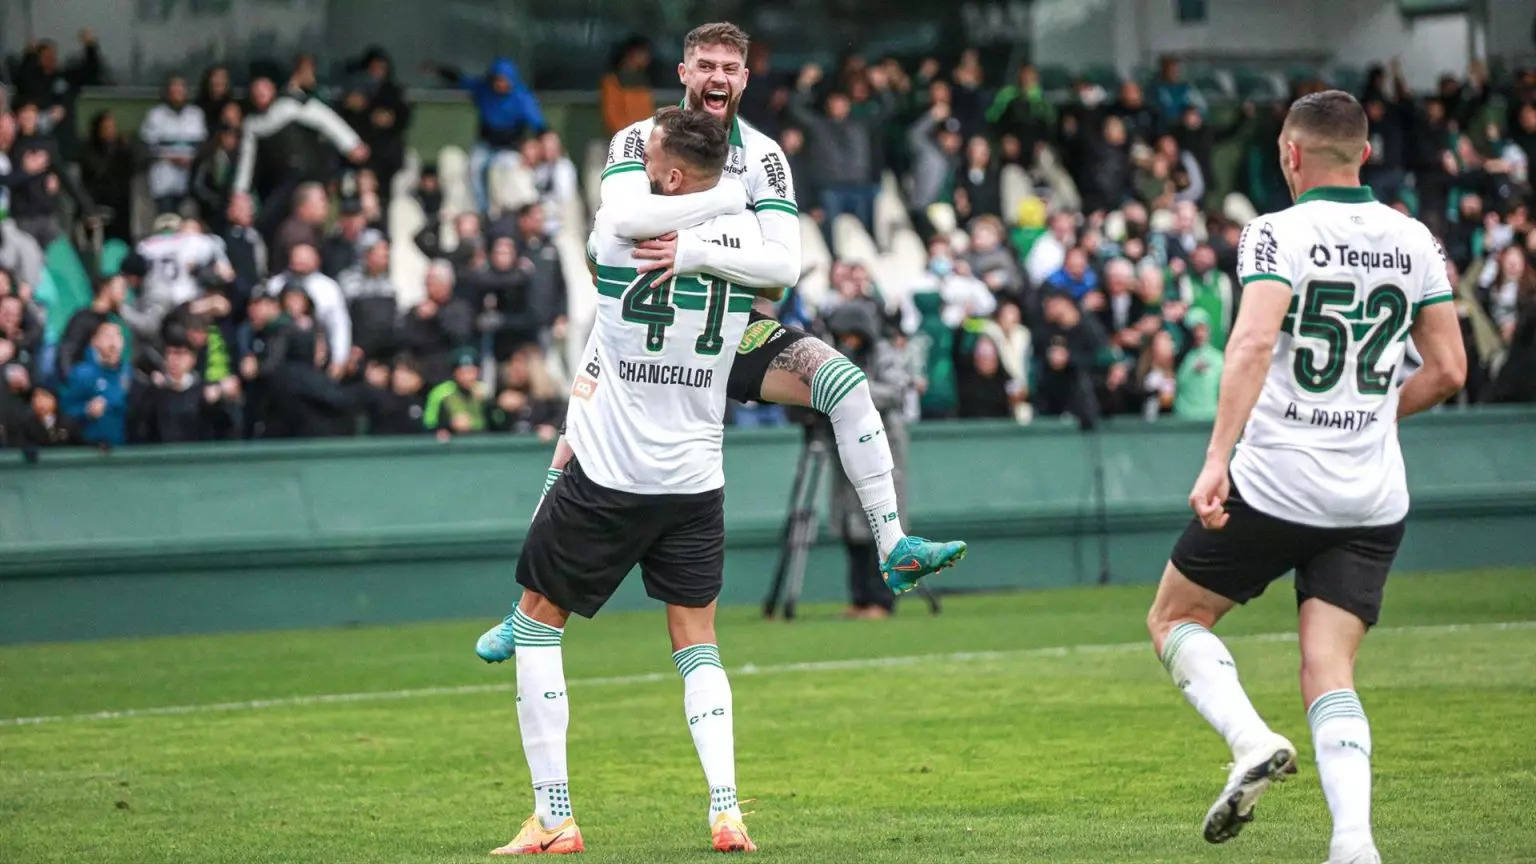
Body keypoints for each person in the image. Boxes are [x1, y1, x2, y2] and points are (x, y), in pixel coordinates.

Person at [1145, 91, 1467, 864]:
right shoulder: (1414, 238)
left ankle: (1251, 739)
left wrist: (1217, 457)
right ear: (1363, 152)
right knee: (1329, 666)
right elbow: (1451, 369)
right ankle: (1354, 844)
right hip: (1372, 494)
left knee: (1174, 618)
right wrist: (1369, 418)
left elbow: (1253, 342)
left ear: (1290, 156)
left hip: (1279, 480)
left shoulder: (1273, 232)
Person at [547, 22, 965, 597]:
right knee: (576, 437)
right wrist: (725, 211)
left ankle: (894, 546)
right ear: (684, 73)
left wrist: (691, 248)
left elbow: (783, 268)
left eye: (728, 67)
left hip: (727, 327)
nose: (716, 76)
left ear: (744, 78)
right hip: (642, 320)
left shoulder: (765, 157)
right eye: (706, 65)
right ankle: (524, 614)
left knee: (844, 382)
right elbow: (622, 222)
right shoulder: (637, 139)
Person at [476, 109, 770, 854]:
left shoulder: (615, 235)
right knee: (697, 643)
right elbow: (779, 264)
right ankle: (726, 809)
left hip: (609, 476)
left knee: (539, 625)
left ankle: (554, 817)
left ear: (670, 177)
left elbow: (623, 213)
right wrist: (730, 196)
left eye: (650, 162)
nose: (638, 171)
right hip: (696, 481)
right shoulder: (746, 245)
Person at [426, 57, 545, 214]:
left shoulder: (522, 97)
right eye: (497, 80)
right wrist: (437, 70)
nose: (500, 84)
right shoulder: (484, 89)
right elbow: (461, 79)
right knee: (473, 168)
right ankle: (481, 211)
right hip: (486, 144)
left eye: (504, 80)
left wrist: (535, 148)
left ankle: (505, 213)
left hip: (511, 148)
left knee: (506, 174)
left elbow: (540, 127)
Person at [140, 75, 208, 216]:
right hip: (164, 179)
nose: (177, 94)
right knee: (167, 223)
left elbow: (202, 145)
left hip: (191, 180)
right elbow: (147, 146)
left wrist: (191, 159)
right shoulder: (155, 115)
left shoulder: (195, 114)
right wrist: (172, 157)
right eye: (173, 90)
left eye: (180, 90)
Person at [61, 320, 129, 447]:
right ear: (94, 341)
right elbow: (65, 410)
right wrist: (86, 410)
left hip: (123, 452)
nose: (113, 342)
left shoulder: (128, 373)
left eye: (118, 336)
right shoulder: (82, 374)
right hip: (91, 452)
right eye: (107, 336)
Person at [79, 110, 138, 244]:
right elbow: (90, 178)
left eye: (112, 127)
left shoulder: (122, 150)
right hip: (96, 204)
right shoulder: (89, 151)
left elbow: (132, 169)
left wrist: (126, 148)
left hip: (120, 206)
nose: (110, 131)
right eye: (106, 128)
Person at [600, 37, 656, 137]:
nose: (647, 58)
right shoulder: (612, 81)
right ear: (630, 54)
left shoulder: (643, 79)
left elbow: (648, 111)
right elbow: (613, 116)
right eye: (643, 53)